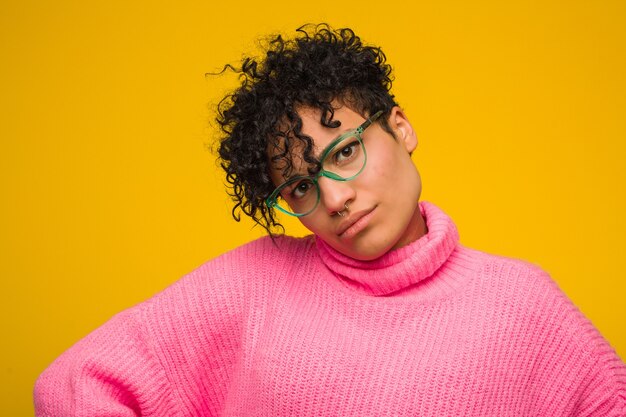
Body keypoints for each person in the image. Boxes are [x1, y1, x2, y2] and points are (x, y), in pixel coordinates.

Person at [34, 24, 625, 416]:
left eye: (344, 152)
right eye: (300, 186)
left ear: (400, 127)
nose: (335, 199)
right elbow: (72, 385)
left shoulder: (524, 306)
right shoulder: (252, 287)